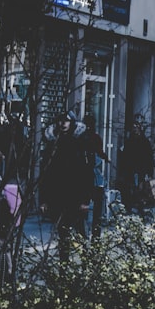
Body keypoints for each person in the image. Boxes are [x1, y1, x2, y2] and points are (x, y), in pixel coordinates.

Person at [40, 111, 93, 260]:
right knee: (63, 233)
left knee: (80, 231)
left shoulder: (80, 143)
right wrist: (44, 199)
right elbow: (46, 173)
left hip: (75, 194)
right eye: (61, 121)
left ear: (72, 123)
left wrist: (85, 199)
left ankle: (86, 263)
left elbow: (86, 172)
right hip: (58, 194)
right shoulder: (53, 143)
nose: (63, 124)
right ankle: (64, 265)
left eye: (66, 121)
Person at [118, 118, 155, 213]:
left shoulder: (144, 142)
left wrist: (149, 172)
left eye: (137, 127)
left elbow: (149, 158)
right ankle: (130, 208)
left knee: (141, 190)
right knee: (130, 190)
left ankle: (140, 208)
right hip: (130, 170)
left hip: (141, 171)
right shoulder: (129, 142)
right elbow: (124, 157)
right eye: (134, 127)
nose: (135, 129)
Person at [78, 115, 108, 237]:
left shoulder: (81, 138)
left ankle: (83, 234)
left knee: (82, 208)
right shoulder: (95, 138)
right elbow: (100, 154)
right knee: (97, 211)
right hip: (94, 179)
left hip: (84, 178)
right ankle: (95, 235)